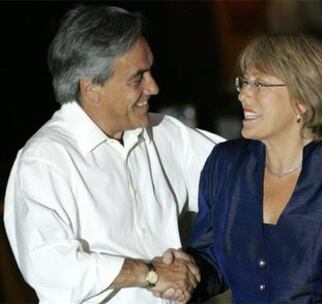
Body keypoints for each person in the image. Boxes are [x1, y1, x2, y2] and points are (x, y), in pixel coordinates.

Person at [165, 33, 322, 303]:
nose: (243, 94)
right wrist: (185, 273)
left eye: (259, 84)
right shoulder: (225, 164)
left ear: (304, 101)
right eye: (244, 82)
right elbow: (211, 262)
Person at [3, 5, 223, 304]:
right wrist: (148, 273)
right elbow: (51, 268)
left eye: (150, 71)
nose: (153, 87)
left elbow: (238, 177)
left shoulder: (163, 134)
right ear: (91, 88)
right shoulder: (43, 161)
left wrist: (199, 264)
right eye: (138, 78)